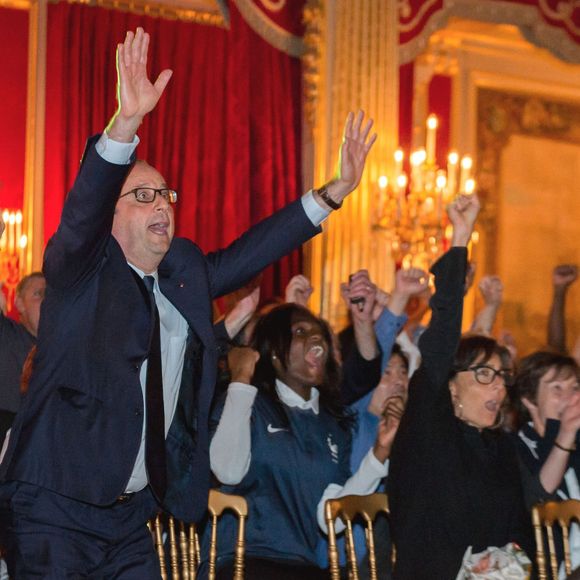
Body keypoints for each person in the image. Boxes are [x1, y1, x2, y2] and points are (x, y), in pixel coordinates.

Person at [0, 28, 376, 578]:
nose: (162, 205)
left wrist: (334, 192)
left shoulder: (183, 271)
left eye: (166, 194)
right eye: (143, 195)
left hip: (133, 516)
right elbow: (82, 212)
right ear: (113, 216)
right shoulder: (82, 271)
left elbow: (252, 251)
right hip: (55, 506)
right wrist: (124, 125)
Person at [388, 193, 535, 580]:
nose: (499, 388)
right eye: (484, 375)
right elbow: (440, 339)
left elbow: (522, 532)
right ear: (451, 385)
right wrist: (461, 236)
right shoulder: (428, 427)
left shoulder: (501, 446)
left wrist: (509, 563)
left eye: (502, 377)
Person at [207, 303, 397, 579]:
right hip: (240, 559)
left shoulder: (333, 424)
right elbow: (227, 470)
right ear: (274, 351)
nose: (317, 337)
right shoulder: (250, 401)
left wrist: (379, 454)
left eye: (319, 331)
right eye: (300, 331)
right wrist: (241, 379)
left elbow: (328, 514)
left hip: (300, 564)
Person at [515, 351, 580, 575]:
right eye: (557, 389)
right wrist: (565, 434)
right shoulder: (517, 448)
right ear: (530, 399)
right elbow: (539, 499)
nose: (570, 398)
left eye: (575, 388)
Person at [0, 257, 45, 443]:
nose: (46, 300)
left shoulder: (66, 348)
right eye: (39, 294)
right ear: (19, 303)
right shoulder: (5, 333)